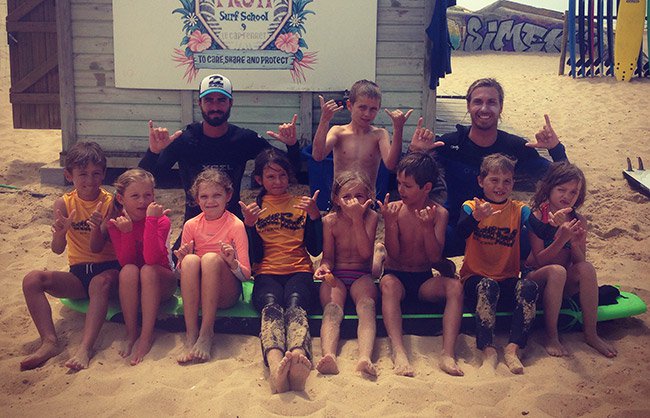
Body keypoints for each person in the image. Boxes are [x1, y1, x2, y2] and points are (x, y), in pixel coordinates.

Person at [409, 77, 569, 257]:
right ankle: (444, 266)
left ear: (501, 107)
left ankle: (523, 276)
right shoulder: (450, 144)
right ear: (468, 106)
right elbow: (407, 180)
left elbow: (564, 179)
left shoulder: (514, 146)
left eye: (491, 102)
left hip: (500, 233)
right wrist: (415, 152)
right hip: (458, 227)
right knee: (418, 235)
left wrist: (555, 149)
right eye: (478, 102)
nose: (484, 109)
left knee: (545, 238)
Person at [140, 73, 301, 224]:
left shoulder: (244, 139)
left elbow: (292, 169)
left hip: (232, 225)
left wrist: (292, 145)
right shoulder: (185, 139)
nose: (215, 106)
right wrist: (153, 152)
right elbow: (146, 180)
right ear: (200, 104)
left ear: (231, 103)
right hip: (195, 225)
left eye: (221, 100)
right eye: (209, 100)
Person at [20, 142, 120, 371]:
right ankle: (49, 341)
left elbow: (100, 248)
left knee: (98, 283)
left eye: (96, 174)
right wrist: (61, 233)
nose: (90, 180)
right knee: (32, 279)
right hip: (77, 274)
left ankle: (85, 348)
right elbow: (57, 249)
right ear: (69, 175)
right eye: (82, 174)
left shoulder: (110, 202)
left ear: (104, 173)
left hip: (109, 270)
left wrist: (100, 226)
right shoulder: (64, 203)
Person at [239, 148, 322, 393]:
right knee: (271, 306)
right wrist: (250, 227)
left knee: (296, 305)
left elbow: (316, 250)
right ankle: (276, 364)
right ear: (259, 180)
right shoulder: (253, 210)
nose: (278, 182)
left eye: (283, 176)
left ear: (290, 176)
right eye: (271, 177)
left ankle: (297, 357)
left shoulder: (302, 205)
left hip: (299, 270)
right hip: (266, 272)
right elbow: (254, 257)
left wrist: (315, 218)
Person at [377, 152, 464, 377]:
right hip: (397, 276)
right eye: (399, 183)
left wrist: (427, 229)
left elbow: (434, 257)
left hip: (423, 277)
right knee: (387, 284)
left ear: (426, 188)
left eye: (407, 185)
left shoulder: (439, 214)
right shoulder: (395, 210)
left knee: (455, 287)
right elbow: (394, 254)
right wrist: (389, 223)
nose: (401, 190)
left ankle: (447, 353)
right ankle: (399, 352)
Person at [525, 162, 617, 358]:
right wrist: (561, 238)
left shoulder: (578, 220)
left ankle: (591, 334)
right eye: (561, 190)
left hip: (563, 283)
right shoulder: (536, 217)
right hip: (536, 280)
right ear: (549, 189)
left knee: (586, 268)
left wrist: (574, 243)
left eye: (573, 192)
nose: (567, 196)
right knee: (557, 271)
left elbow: (579, 261)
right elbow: (538, 260)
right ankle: (551, 336)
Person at [457, 153, 538, 375]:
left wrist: (555, 223)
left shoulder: (519, 209)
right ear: (481, 181)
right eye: (494, 180)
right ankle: (488, 350)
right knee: (487, 286)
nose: (500, 186)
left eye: (507, 181)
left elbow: (538, 227)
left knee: (529, 287)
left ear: (513, 183)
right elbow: (460, 232)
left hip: (507, 278)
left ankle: (513, 348)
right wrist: (476, 217)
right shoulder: (471, 206)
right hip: (474, 278)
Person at [175, 167, 251, 363]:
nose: (210, 201)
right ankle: (192, 334)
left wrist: (232, 262)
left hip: (225, 294)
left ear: (228, 196)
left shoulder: (235, 225)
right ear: (197, 199)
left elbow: (245, 275)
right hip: (199, 296)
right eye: (204, 196)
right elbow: (179, 275)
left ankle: (207, 332)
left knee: (209, 258)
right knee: (190, 260)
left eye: (217, 195)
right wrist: (181, 262)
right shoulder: (191, 225)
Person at [105, 168, 177, 365]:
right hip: (137, 286)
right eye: (134, 196)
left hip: (162, 282)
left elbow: (152, 259)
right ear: (121, 199)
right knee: (128, 270)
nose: (142, 202)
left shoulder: (161, 219)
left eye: (147, 195)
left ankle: (146, 336)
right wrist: (127, 233)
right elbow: (126, 262)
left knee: (147, 269)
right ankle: (131, 333)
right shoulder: (117, 223)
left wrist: (151, 221)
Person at [311, 79, 427, 199]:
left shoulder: (379, 135)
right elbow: (317, 155)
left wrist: (398, 129)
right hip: (341, 198)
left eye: (373, 109)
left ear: (378, 109)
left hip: (367, 199)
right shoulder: (338, 132)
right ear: (350, 105)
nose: (367, 114)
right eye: (362, 107)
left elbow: (391, 164)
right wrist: (324, 120)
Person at [313, 171, 380, 377]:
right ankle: (329, 356)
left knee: (367, 306)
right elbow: (329, 257)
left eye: (359, 196)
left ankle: (364, 357)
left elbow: (364, 253)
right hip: (338, 273)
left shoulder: (371, 217)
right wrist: (324, 267)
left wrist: (357, 219)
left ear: (369, 197)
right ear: (336, 199)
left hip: (361, 272)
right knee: (332, 309)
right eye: (347, 197)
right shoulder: (330, 221)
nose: (353, 202)